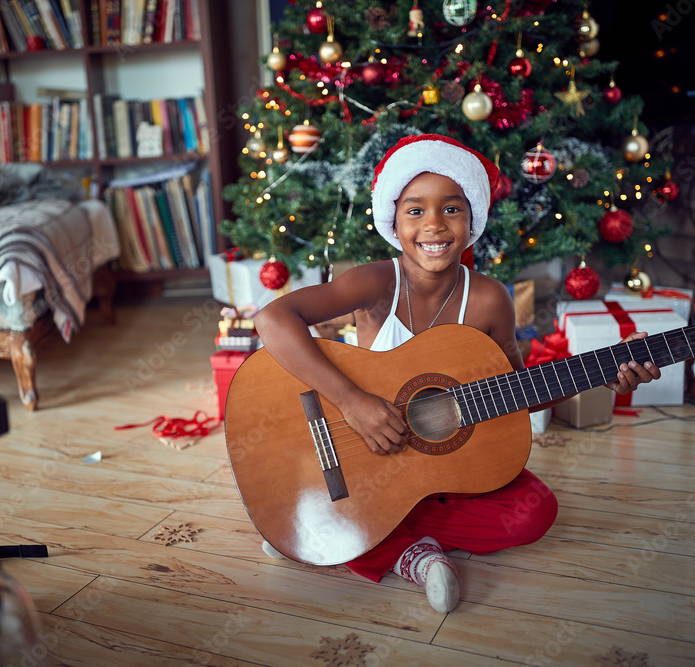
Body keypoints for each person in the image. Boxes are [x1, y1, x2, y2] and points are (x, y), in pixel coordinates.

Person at [252, 133, 662, 613]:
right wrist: (351, 400)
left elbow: (518, 392)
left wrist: (602, 372)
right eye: (415, 210)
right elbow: (272, 319)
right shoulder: (376, 282)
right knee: (384, 492)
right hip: (367, 462)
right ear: (392, 220)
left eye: (451, 209)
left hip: (443, 472)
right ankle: (407, 553)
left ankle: (344, 532)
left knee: (535, 512)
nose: (434, 225)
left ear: (473, 220)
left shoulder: (488, 299)